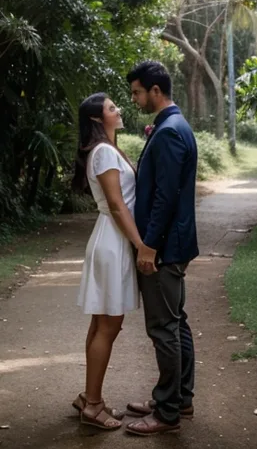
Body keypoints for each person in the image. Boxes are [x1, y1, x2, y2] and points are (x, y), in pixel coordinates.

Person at [125, 61, 199, 437]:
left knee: (163, 327)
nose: (134, 99)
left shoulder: (169, 131)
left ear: (156, 90)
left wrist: (149, 245)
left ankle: (167, 411)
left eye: (137, 92)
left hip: (165, 246)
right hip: (174, 244)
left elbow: (165, 197)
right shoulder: (174, 125)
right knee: (176, 321)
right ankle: (179, 398)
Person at [72, 92, 142, 431]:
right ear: (98, 119)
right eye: (112, 107)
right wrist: (141, 245)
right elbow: (117, 205)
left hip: (112, 239)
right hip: (112, 240)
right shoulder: (103, 152)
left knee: (101, 325)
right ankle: (94, 405)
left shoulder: (108, 150)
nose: (119, 109)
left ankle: (89, 397)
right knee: (108, 326)